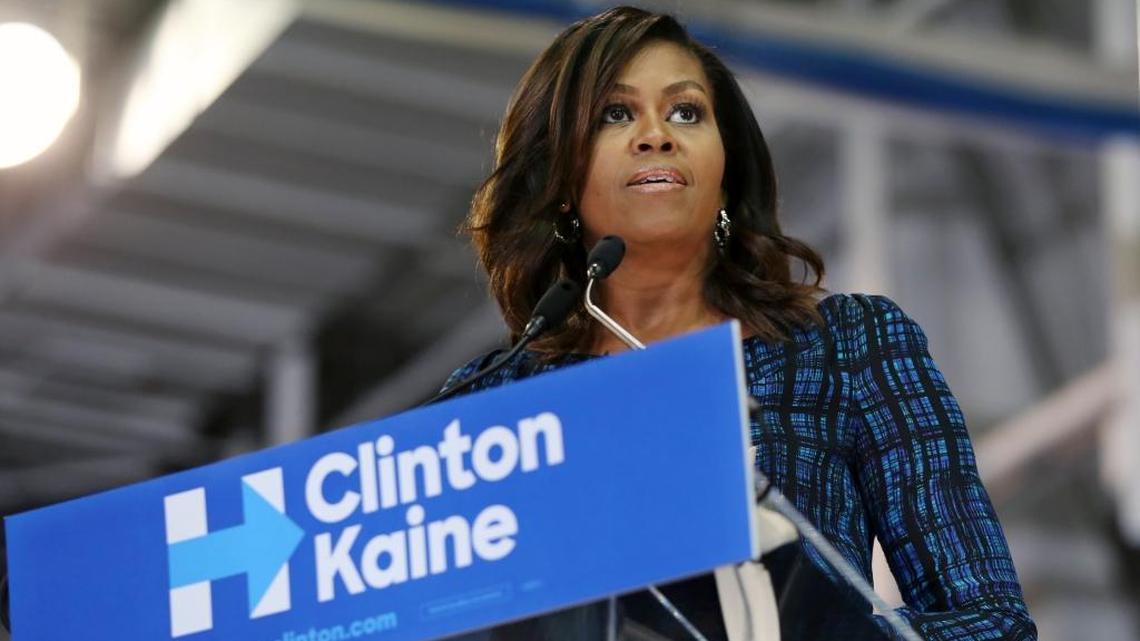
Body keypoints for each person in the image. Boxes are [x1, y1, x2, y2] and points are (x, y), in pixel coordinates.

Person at [443, 6, 1036, 640]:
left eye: (685, 112)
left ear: (725, 177)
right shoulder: (494, 401)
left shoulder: (845, 346)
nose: (656, 135)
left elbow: (991, 625)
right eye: (617, 114)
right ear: (559, 180)